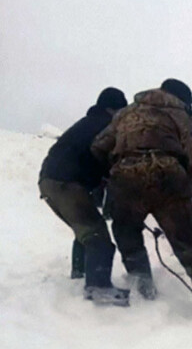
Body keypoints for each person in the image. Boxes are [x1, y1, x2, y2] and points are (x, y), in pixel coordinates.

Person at [91, 79, 192, 327]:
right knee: (191, 246)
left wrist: (117, 166)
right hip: (168, 178)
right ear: (183, 98)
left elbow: (98, 146)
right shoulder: (181, 115)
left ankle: (145, 292)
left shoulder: (125, 113)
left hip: (126, 180)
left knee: (128, 238)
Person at [39, 87, 129, 305]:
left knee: (85, 232)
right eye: (120, 111)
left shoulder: (87, 122)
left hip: (50, 181)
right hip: (66, 184)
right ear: (111, 109)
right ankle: (98, 288)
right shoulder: (105, 127)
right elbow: (109, 159)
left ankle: (79, 275)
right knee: (97, 236)